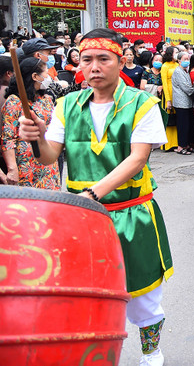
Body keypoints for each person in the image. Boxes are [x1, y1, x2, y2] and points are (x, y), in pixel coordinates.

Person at [19, 28, 173, 365]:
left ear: (120, 60)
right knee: (87, 292)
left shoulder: (142, 104)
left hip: (131, 213)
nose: (94, 67)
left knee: (142, 293)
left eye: (103, 59)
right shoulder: (66, 105)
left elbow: (137, 159)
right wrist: (35, 138)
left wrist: (93, 194)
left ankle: (151, 352)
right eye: (87, 59)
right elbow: (48, 156)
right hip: (83, 219)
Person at [2, 57, 60, 189]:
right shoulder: (14, 101)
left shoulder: (46, 100)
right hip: (26, 165)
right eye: (46, 73)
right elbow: (8, 138)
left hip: (48, 163)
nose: (48, 77)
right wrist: (12, 168)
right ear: (35, 76)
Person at [171, 51, 194, 154]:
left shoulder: (185, 71)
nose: (186, 61)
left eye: (188, 59)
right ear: (179, 60)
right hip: (181, 102)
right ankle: (181, 146)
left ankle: (186, 144)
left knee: (187, 125)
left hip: (187, 102)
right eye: (184, 59)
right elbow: (186, 87)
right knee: (182, 125)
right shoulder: (178, 71)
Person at [160, 47, 178, 152]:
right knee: (168, 118)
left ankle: (176, 142)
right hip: (169, 93)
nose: (177, 54)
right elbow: (165, 84)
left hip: (177, 94)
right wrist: (168, 99)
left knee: (176, 119)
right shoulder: (165, 66)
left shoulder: (177, 65)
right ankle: (167, 144)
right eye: (176, 52)